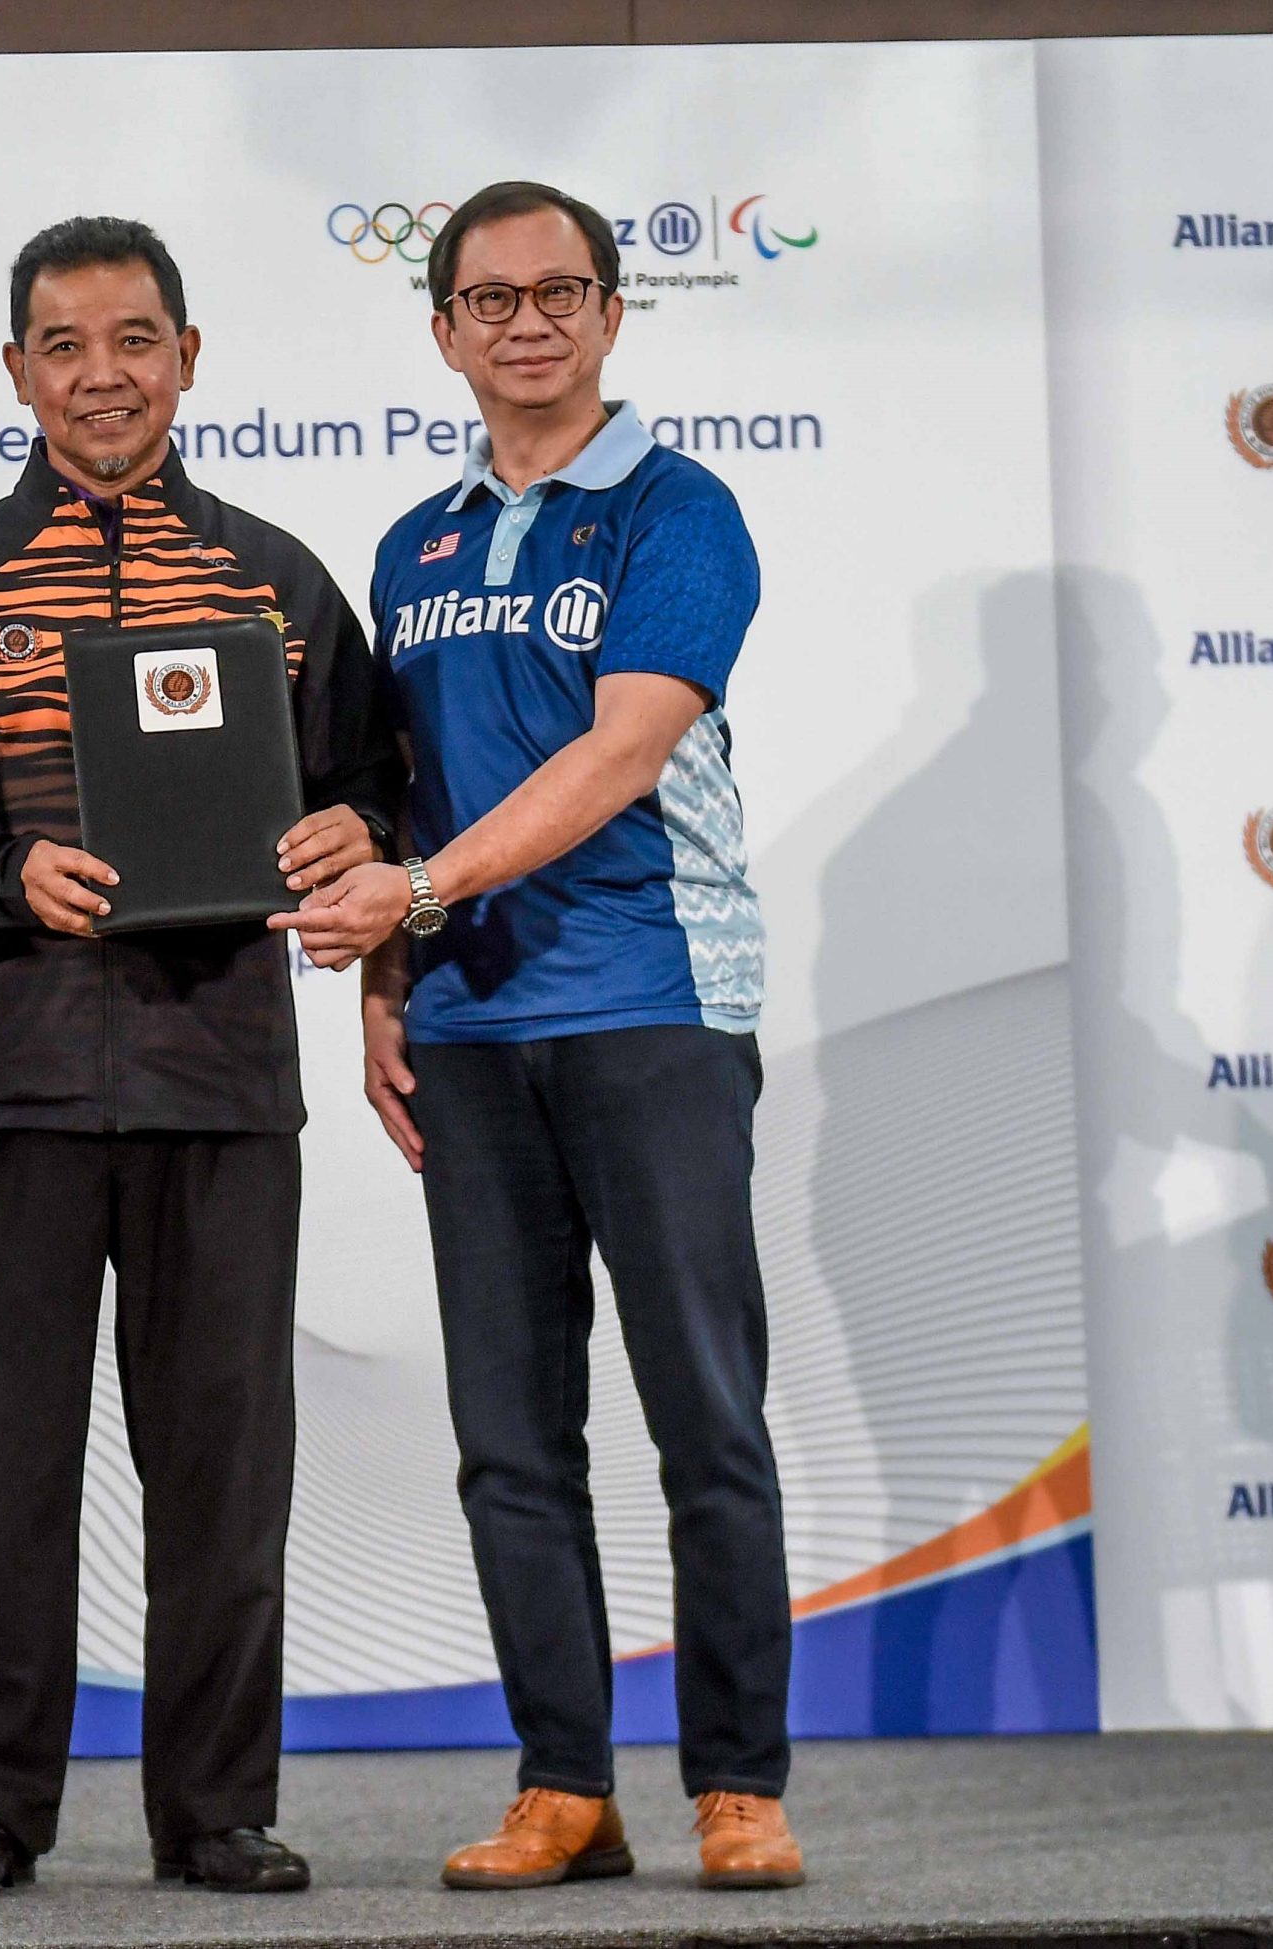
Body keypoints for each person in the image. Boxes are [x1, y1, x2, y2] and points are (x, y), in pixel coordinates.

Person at [275, 180, 806, 1893]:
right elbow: (398, 790)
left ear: (610, 314)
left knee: (705, 1411)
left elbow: (617, 757)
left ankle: (738, 1781)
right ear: (443, 331)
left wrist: (412, 896)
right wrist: (384, 983)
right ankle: (565, 1783)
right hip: (473, 1025)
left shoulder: (678, 506)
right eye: (491, 299)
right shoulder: (412, 547)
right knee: (511, 1432)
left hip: (651, 999)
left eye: (560, 292)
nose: (528, 322)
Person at [0, 216, 397, 1900]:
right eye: (64, 343)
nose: (102, 374)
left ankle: (215, 1806)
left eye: (135, 339)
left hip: (223, 1078)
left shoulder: (281, 578)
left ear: (188, 354)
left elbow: (376, 791)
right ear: (17, 369)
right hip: (4, 1078)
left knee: (224, 1470)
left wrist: (346, 837)